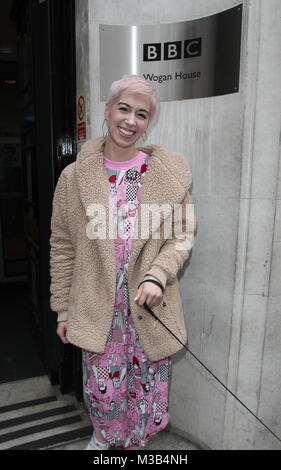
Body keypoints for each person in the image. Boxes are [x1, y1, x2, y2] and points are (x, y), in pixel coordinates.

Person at [50, 74, 195, 450]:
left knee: (145, 399)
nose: (131, 121)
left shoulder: (166, 174)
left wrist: (157, 275)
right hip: (98, 311)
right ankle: (102, 442)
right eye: (124, 109)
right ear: (108, 110)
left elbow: (181, 237)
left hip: (150, 309)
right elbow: (63, 247)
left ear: (149, 122)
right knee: (104, 397)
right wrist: (63, 311)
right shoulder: (74, 178)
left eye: (142, 114)